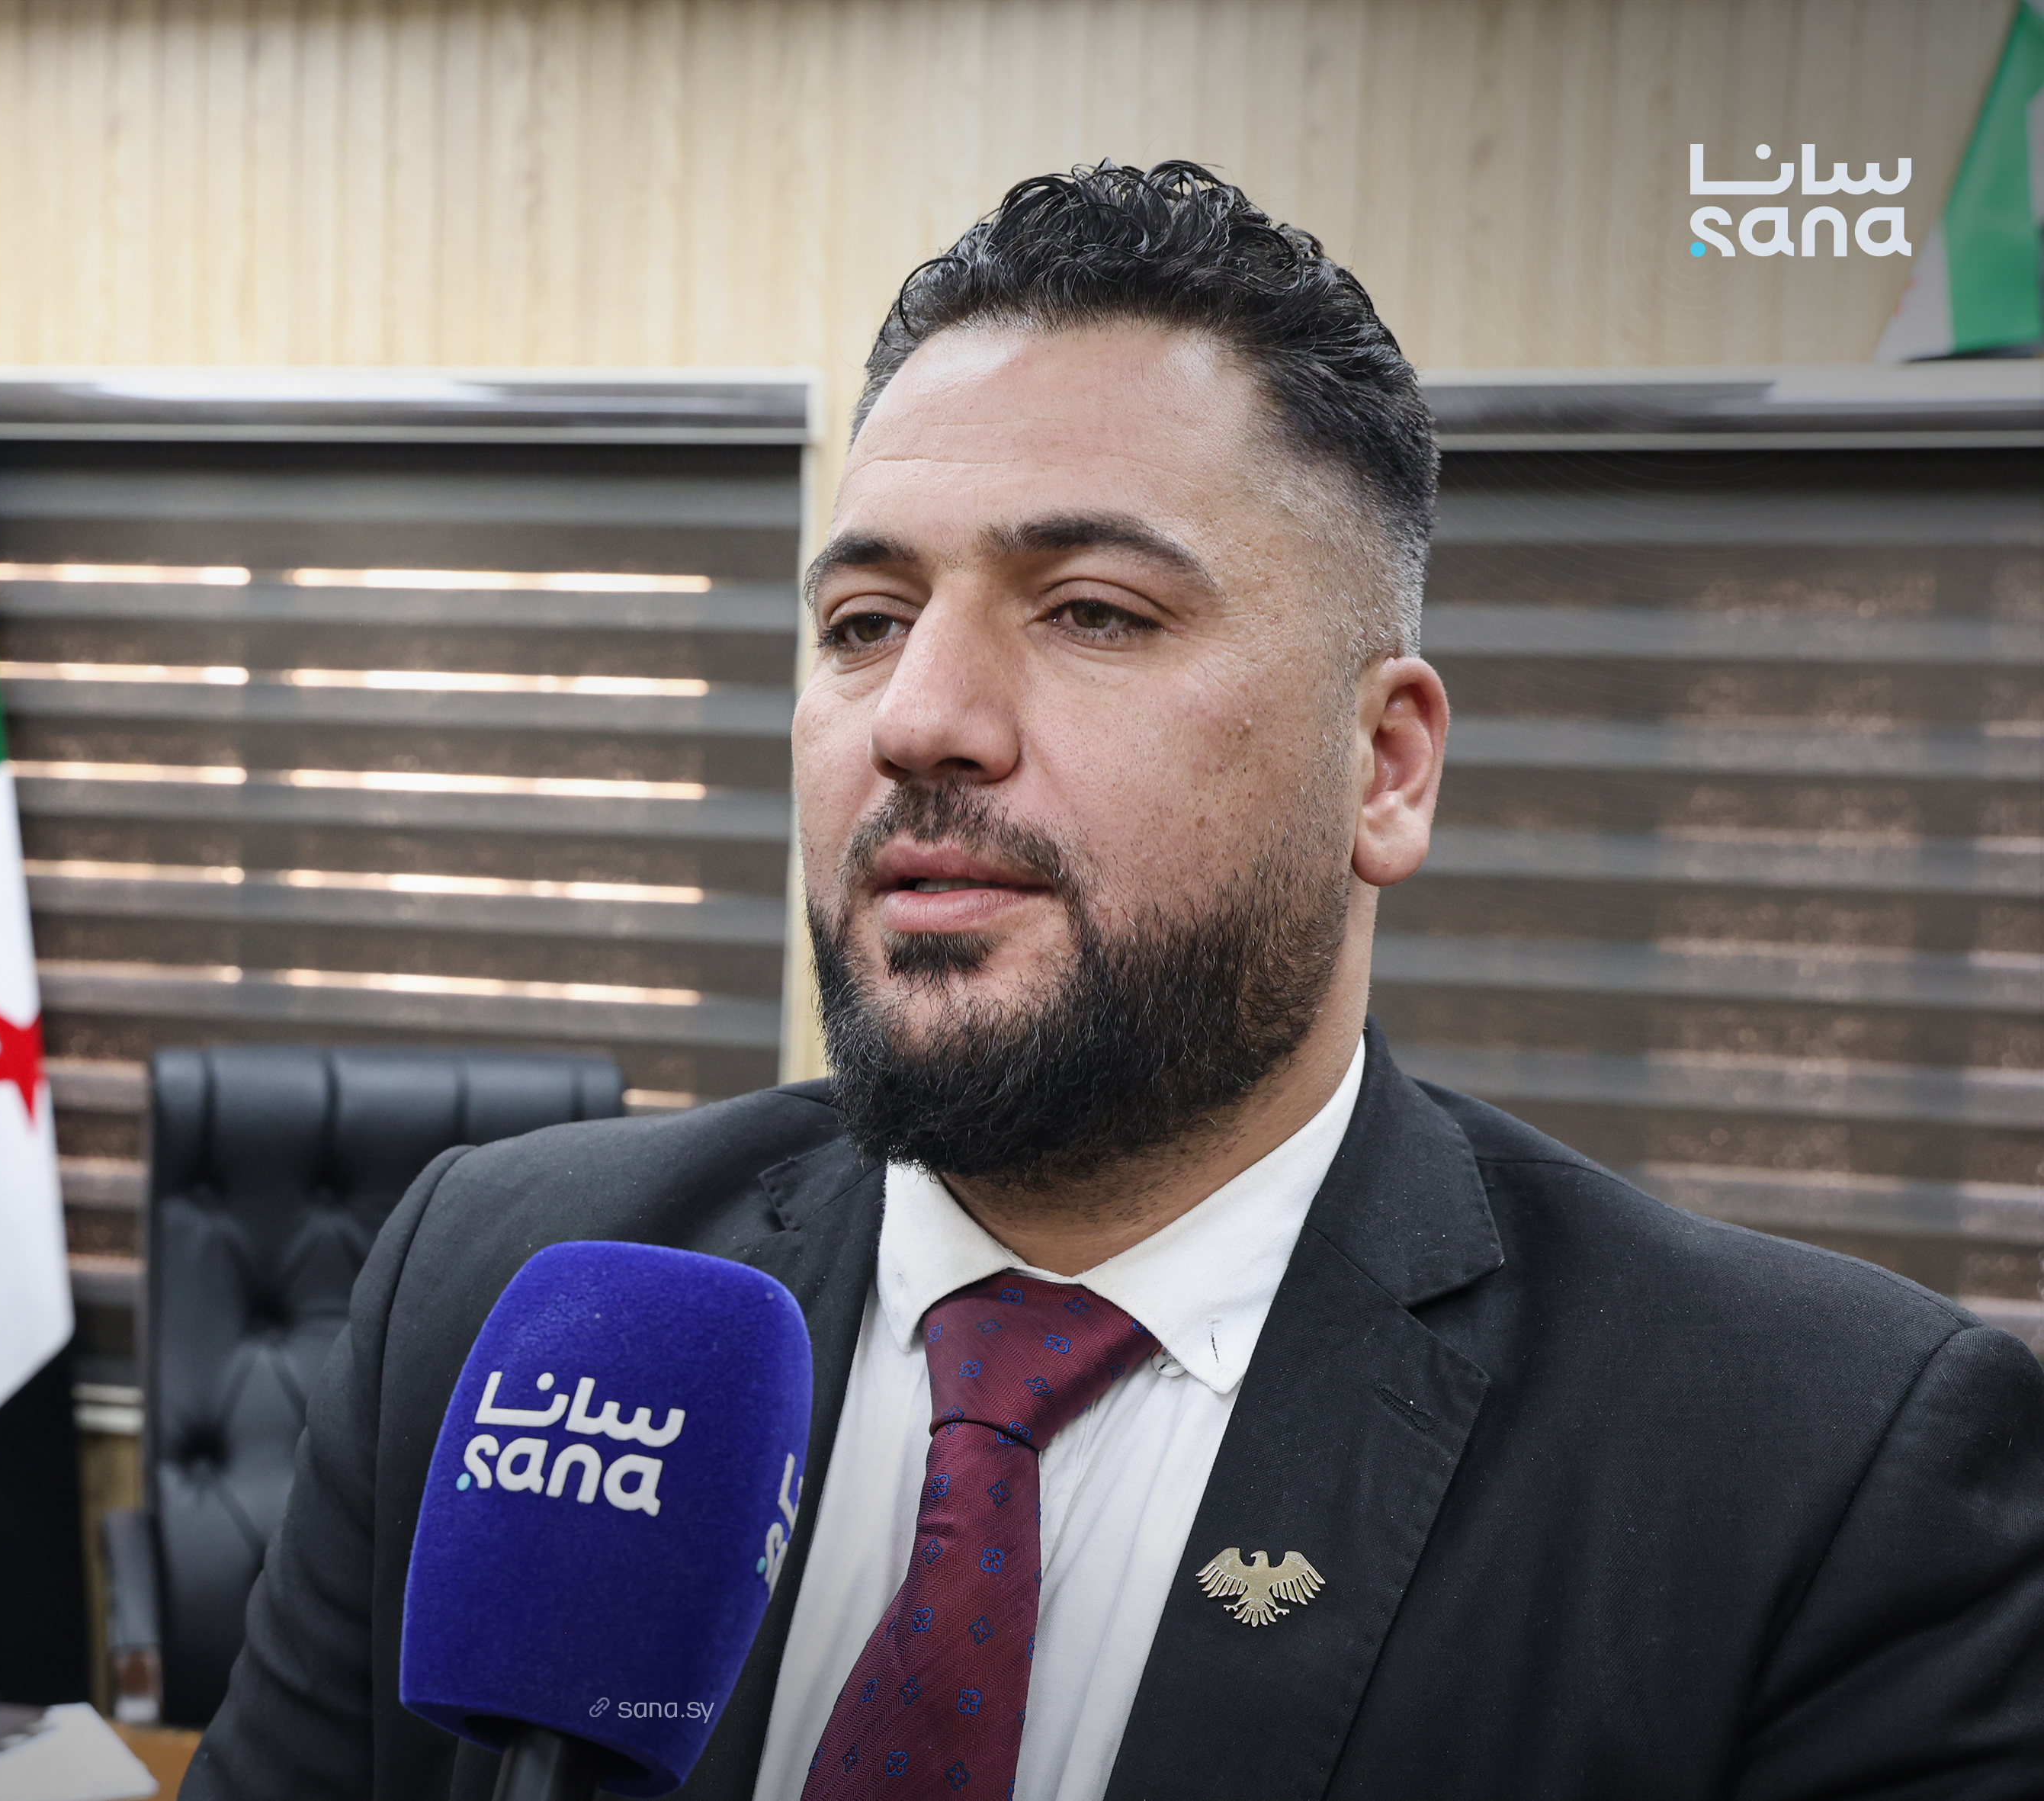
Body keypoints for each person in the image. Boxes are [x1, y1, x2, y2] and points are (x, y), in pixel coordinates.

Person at [183, 162, 2044, 1800]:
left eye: (1090, 610)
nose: (917, 715)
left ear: (1382, 768)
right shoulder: (499, 1290)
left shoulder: (1813, 1475)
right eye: (862, 621)